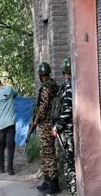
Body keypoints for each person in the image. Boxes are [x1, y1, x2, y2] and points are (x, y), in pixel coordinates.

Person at [26, 62, 60, 194]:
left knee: (48, 154)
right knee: (44, 153)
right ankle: (47, 181)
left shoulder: (47, 88)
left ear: (41, 76)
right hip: (46, 123)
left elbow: (43, 108)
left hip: (46, 124)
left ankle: (53, 183)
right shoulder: (52, 86)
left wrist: (35, 121)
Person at [53, 58, 76, 195]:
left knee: (70, 161)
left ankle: (74, 190)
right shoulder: (70, 84)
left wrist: (57, 127)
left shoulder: (68, 86)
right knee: (69, 160)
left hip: (68, 130)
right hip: (68, 129)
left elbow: (67, 110)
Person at [0, 76, 17, 175]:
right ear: (0, 82)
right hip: (10, 123)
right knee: (10, 146)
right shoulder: (9, 89)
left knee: (1, 147)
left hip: (0, 125)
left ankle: (1, 168)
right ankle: (10, 169)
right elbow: (15, 95)